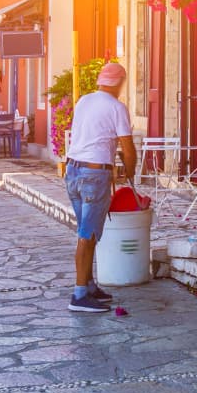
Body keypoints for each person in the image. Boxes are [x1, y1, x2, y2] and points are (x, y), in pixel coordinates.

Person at [61, 61, 138, 314]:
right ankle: (79, 294)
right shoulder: (117, 107)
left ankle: (90, 285)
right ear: (120, 83)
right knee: (87, 234)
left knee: (88, 229)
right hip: (94, 174)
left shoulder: (84, 100)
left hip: (73, 170)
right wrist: (130, 171)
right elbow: (127, 146)